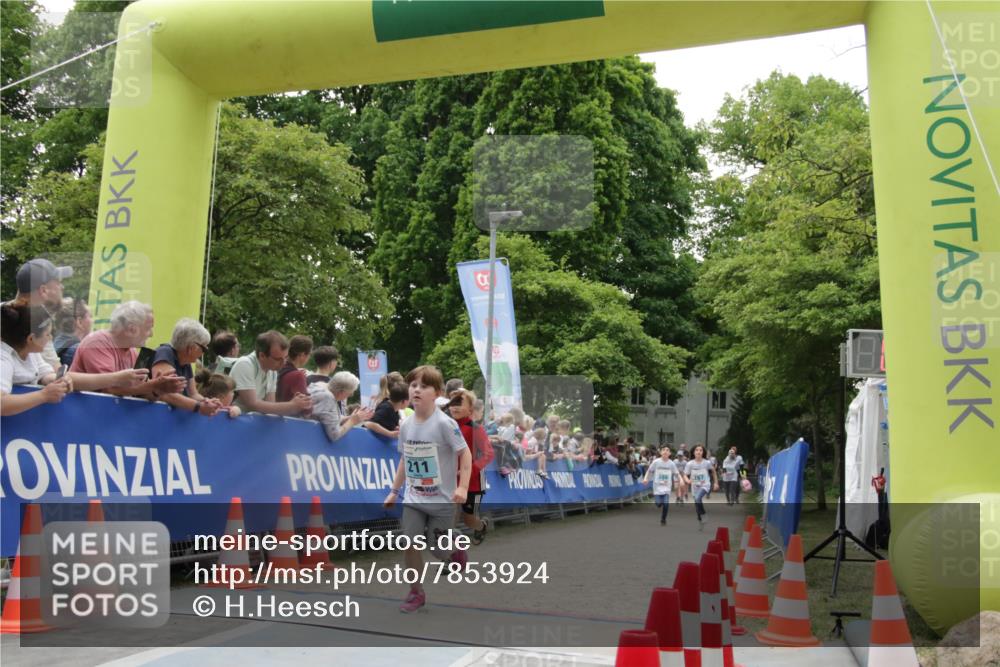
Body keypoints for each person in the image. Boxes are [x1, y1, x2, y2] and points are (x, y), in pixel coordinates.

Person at [383, 365, 471, 613]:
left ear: (437, 393)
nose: (417, 390)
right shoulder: (406, 425)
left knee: (437, 549)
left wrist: (463, 488)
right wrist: (394, 491)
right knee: (409, 543)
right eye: (413, 385)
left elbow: (465, 454)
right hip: (414, 497)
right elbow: (405, 459)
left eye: (424, 386)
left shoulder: (445, 424)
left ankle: (455, 549)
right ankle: (416, 592)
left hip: (442, 499)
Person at [1, 303, 147, 416]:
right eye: (47, 334)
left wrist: (63, 380)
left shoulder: (32, 353)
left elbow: (49, 377)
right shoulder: (3, 359)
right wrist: (43, 395)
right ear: (31, 339)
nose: (51, 338)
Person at [70, 301, 187, 399]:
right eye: (148, 328)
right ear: (131, 329)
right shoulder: (97, 343)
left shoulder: (132, 351)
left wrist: (159, 390)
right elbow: (108, 390)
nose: (151, 334)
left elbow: (139, 392)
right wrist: (152, 386)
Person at [10, 258, 74, 371]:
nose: (62, 287)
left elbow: (55, 371)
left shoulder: (39, 320)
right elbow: (56, 372)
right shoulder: (33, 324)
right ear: (43, 290)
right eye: (58, 282)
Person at [150, 318, 222, 417]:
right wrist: (199, 407)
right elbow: (166, 393)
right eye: (204, 349)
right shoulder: (165, 352)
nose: (203, 353)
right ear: (191, 348)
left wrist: (206, 401)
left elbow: (193, 394)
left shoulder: (185, 362)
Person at [229, 331, 312, 416]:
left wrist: (299, 403)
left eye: (285, 357)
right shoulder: (245, 364)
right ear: (262, 355)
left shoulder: (272, 371)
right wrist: (291, 406)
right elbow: (252, 404)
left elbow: (271, 407)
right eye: (278, 359)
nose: (283, 363)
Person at [448, 388, 492, 545]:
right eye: (452, 403)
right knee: (449, 519)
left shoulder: (475, 428)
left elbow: (488, 454)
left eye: (459, 403)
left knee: (469, 519)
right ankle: (449, 553)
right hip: (451, 481)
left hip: (474, 482)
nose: (454, 407)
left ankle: (481, 526)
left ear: (470, 409)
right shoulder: (445, 426)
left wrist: (469, 471)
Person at [308, 371, 373, 442]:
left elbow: (328, 418)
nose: (351, 395)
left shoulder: (319, 386)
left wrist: (350, 417)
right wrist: (352, 421)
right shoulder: (328, 398)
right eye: (350, 393)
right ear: (342, 392)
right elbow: (334, 435)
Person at [643, 447, 682, 525]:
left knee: (666, 504)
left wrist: (681, 480)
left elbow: (677, 473)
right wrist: (645, 478)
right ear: (661, 452)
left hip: (667, 487)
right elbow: (649, 471)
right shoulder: (656, 462)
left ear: (669, 454)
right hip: (657, 487)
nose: (665, 451)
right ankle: (658, 503)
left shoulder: (671, 463)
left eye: (667, 450)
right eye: (663, 450)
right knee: (658, 504)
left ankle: (663, 519)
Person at [683, 444, 719, 529]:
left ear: (703, 452)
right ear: (693, 452)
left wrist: (716, 483)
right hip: (695, 486)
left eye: (700, 450)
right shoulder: (690, 464)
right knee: (697, 504)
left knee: (698, 498)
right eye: (697, 450)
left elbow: (713, 472)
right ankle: (700, 520)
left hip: (705, 485)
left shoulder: (707, 463)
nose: (698, 452)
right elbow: (685, 475)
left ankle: (704, 515)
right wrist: (687, 480)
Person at [53, 297, 92, 368]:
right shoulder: (79, 351)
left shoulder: (53, 345)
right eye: (90, 316)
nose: (92, 321)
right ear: (79, 322)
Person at [276, 334, 312, 402]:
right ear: (302, 354)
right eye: (309, 354)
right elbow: (305, 406)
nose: (309, 357)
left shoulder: (277, 367)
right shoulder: (298, 376)